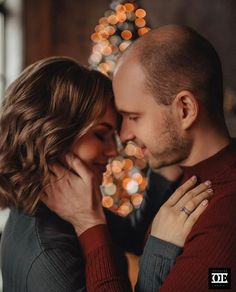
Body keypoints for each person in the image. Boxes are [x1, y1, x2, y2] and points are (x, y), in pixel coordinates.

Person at [41, 24, 236, 292]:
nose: (124, 135)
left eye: (134, 117)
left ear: (185, 109)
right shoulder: (190, 176)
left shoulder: (224, 217)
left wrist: (90, 224)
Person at [0, 56, 212, 292]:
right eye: (101, 135)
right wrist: (159, 255)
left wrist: (165, 163)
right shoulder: (50, 254)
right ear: (51, 137)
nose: (113, 151)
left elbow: (132, 235)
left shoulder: (63, 206)